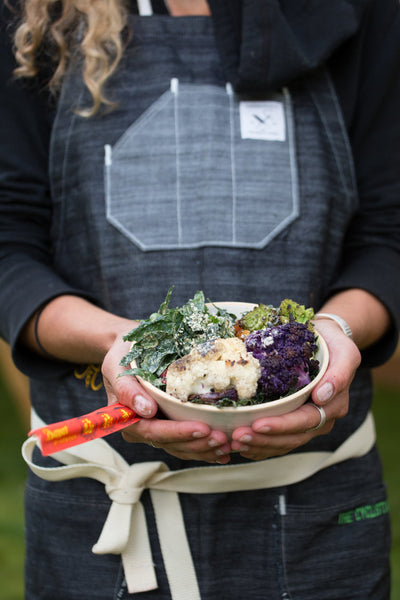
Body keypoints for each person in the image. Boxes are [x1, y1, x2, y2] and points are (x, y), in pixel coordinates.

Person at [1, 0, 399, 598]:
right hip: (105, 515)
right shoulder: (33, 15)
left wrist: (335, 328)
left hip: (318, 513)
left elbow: (388, 235)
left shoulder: (358, 12)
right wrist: (117, 342)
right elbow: (9, 243)